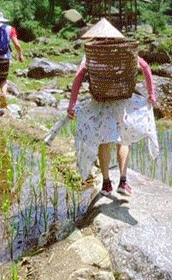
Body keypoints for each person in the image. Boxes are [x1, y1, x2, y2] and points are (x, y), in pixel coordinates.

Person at [66, 19, 158, 196]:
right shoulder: (123, 51)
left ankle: (106, 184)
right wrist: (151, 94)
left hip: (101, 101)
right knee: (123, 140)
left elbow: (79, 76)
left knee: (104, 140)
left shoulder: (92, 54)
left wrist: (72, 103)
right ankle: (123, 182)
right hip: (122, 100)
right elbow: (145, 67)